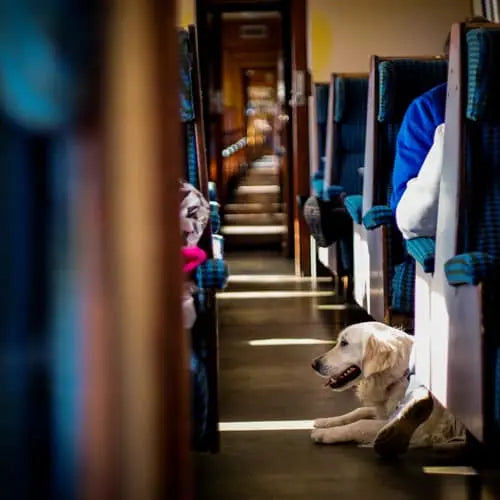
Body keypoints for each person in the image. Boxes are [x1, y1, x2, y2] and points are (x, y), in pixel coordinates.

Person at [374, 17, 489, 459]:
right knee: (439, 259)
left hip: (469, 245)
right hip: (452, 243)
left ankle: (422, 389)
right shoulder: (429, 110)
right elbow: (412, 212)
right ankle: (423, 387)